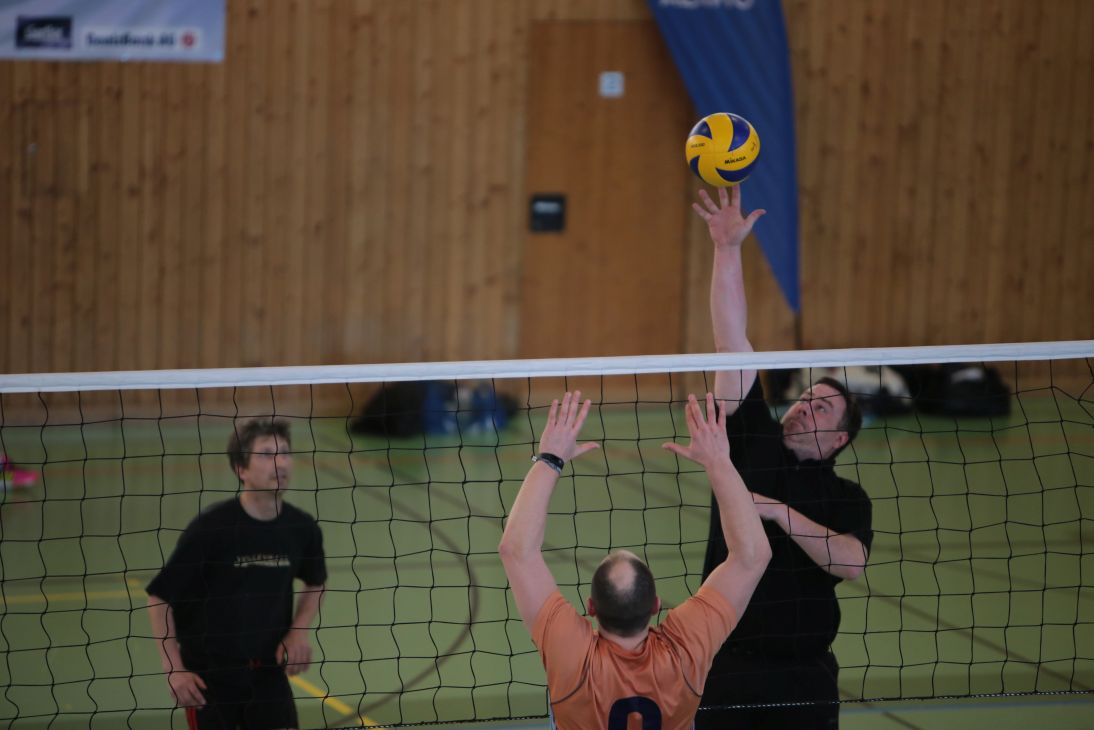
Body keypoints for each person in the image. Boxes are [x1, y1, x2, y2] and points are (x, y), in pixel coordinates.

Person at [691, 186, 874, 729]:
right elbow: (732, 343)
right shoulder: (752, 439)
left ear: (840, 439)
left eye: (820, 409)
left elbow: (851, 563)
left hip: (804, 676)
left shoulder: (845, 498)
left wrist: (774, 511)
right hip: (725, 664)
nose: (803, 408)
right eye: (804, 399)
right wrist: (727, 249)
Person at [498, 390, 771, 730]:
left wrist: (550, 458)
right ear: (656, 605)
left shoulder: (573, 657)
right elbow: (752, 556)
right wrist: (719, 463)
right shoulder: (683, 651)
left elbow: (516, 550)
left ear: (591, 607)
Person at [146, 419, 327, 730]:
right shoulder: (211, 529)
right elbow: (159, 597)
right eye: (266, 454)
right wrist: (173, 668)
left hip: (268, 673)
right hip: (211, 677)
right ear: (241, 469)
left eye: (285, 452)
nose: (281, 463)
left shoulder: (302, 527)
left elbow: (316, 581)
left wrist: (298, 631)